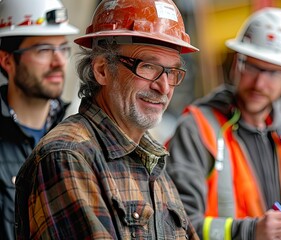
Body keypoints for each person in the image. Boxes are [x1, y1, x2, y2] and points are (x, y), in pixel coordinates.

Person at [14, 0, 199, 239]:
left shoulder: (151, 160)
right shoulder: (67, 157)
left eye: (172, 72)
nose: (163, 87)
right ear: (102, 69)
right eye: (148, 66)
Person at [166, 7, 281, 240]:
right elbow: (177, 225)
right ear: (236, 65)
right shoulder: (198, 129)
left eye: (272, 73)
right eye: (251, 67)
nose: (259, 83)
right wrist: (251, 231)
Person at [0, 0, 79, 239]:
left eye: (63, 49)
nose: (58, 62)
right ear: (7, 60)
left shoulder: (77, 135)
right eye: (43, 50)